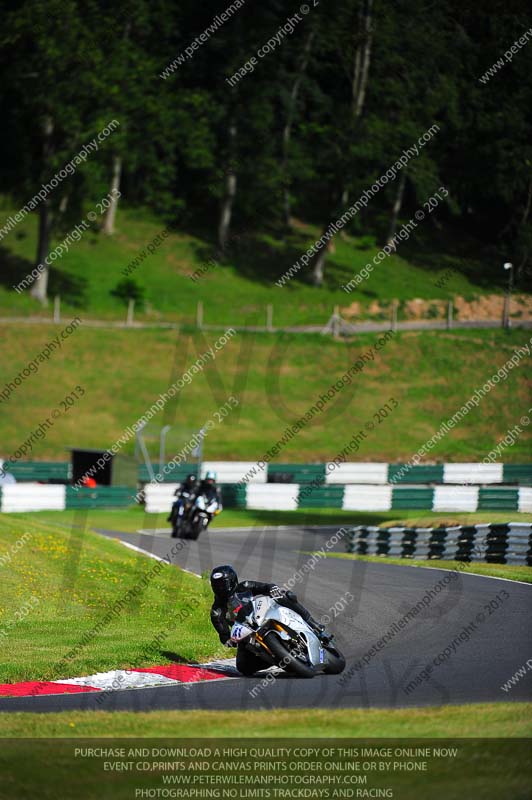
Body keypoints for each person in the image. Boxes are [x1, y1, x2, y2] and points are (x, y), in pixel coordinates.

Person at [209, 565, 328, 676]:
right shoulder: (216, 611)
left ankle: (313, 623)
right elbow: (223, 633)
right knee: (243, 667)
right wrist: (229, 640)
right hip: (247, 635)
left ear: (232, 581)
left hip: (264, 614)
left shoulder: (244, 586)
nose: (220, 588)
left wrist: (272, 588)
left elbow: (265, 587)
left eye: (223, 584)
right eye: (217, 585)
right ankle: (275, 659)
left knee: (285, 596)